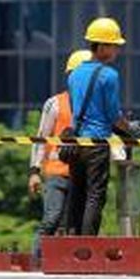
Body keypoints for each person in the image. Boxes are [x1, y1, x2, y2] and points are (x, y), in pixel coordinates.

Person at [64, 17, 131, 236]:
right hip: (97, 143)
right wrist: (130, 129)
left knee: (76, 194)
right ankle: (87, 246)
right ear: (101, 46)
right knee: (95, 196)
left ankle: (71, 240)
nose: (116, 51)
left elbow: (76, 109)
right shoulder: (110, 75)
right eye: (113, 45)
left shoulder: (74, 75)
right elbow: (112, 115)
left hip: (76, 143)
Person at [28, 49, 92, 259]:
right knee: (52, 219)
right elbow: (40, 138)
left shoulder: (96, 108)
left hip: (83, 176)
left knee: (76, 226)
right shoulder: (55, 104)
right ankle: (36, 261)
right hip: (56, 174)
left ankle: (70, 264)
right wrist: (34, 171)